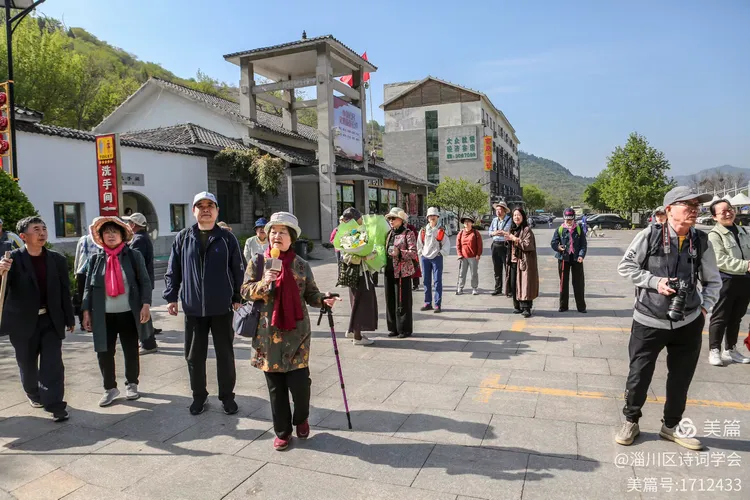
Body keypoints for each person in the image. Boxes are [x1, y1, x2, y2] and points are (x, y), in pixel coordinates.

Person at [616, 186, 721, 450]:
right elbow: (626, 266)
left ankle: (671, 426)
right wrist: (655, 282)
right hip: (648, 319)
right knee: (639, 374)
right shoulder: (649, 235)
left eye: (697, 205)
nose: (694, 210)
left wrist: (704, 309)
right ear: (669, 209)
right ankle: (631, 421)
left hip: (688, 321)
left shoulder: (701, 240)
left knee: (681, 377)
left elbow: (713, 280)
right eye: (688, 205)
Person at [241, 212, 340, 451]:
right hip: (267, 335)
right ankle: (283, 432)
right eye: (273, 232)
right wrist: (265, 282)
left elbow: (311, 294)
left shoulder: (301, 265)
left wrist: (323, 299)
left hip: (297, 335)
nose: (276, 236)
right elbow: (245, 291)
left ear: (291, 237)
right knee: (276, 389)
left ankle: (301, 418)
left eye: (282, 232)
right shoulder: (258, 262)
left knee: (300, 384)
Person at [163, 191, 244, 416]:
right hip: (193, 309)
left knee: (225, 355)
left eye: (210, 205)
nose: (206, 209)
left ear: (217, 211)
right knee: (194, 356)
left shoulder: (227, 238)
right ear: (194, 211)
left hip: (222, 308)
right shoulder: (183, 237)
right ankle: (199, 396)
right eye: (201, 205)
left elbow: (238, 269)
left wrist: (238, 297)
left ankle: (227, 397)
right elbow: (173, 269)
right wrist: (171, 296)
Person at [0, 216, 74, 422]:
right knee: (27, 363)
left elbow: (64, 291)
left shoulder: (57, 260)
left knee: (53, 364)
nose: (42, 233)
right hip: (21, 323)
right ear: (23, 236)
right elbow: (3, 290)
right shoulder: (12, 260)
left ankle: (55, 404)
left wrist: (70, 318)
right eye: (36, 229)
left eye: (44, 228)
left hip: (50, 319)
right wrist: (1, 271)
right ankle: (32, 392)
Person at [82, 217, 152, 407]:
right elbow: (88, 287)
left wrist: (146, 304)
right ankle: (109, 388)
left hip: (128, 312)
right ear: (101, 237)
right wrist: (86, 311)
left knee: (131, 350)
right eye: (107, 232)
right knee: (104, 352)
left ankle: (132, 383)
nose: (111, 235)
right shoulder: (96, 259)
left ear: (122, 235)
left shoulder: (133, 256)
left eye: (115, 231)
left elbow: (145, 282)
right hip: (103, 315)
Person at [706, 199, 750, 366]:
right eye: (723, 211)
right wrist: (746, 265)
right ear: (714, 217)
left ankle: (730, 349)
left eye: (729, 209)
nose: (728, 213)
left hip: (744, 280)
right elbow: (720, 259)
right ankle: (714, 350)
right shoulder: (714, 235)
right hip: (726, 280)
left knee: (736, 317)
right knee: (720, 316)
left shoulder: (742, 230)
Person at [339, 208, 377, 346]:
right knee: (360, 304)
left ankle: (353, 330)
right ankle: (357, 336)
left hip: (357, 274)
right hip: (359, 274)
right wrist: (367, 257)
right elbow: (347, 257)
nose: (362, 220)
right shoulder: (349, 234)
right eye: (359, 217)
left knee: (357, 302)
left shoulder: (351, 232)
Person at [126, 213, 161, 352]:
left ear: (133, 224)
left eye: (129, 223)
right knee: (143, 311)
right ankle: (149, 340)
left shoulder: (138, 240)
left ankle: (148, 343)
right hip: (143, 281)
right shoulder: (142, 237)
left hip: (140, 282)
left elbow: (135, 263)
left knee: (140, 312)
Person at [384, 208, 417, 338]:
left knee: (403, 301)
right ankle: (393, 328)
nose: (391, 221)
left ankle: (404, 329)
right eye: (389, 218)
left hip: (402, 272)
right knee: (390, 299)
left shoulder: (408, 233)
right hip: (389, 270)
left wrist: (400, 253)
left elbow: (413, 253)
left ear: (401, 220)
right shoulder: (388, 233)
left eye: (393, 218)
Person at [502, 208, 539, 317]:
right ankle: (517, 306)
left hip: (523, 261)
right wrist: (508, 240)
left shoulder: (527, 230)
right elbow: (510, 244)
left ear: (523, 217)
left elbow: (528, 245)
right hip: (513, 261)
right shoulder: (512, 229)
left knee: (524, 284)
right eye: (514, 215)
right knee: (514, 284)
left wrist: (514, 239)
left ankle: (526, 308)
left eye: (518, 215)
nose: (516, 217)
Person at [551, 208, 588, 313]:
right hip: (563, 258)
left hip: (576, 258)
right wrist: (558, 247)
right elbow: (553, 243)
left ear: (574, 218)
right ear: (564, 218)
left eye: (571, 219)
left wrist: (581, 255)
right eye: (567, 219)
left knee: (578, 283)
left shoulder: (579, 229)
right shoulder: (560, 229)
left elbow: (583, 244)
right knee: (563, 282)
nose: (569, 221)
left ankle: (581, 307)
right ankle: (563, 306)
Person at [417, 207, 450, 313]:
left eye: (434, 216)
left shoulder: (441, 230)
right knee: (426, 280)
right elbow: (419, 243)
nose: (432, 217)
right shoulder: (423, 230)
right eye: (430, 216)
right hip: (425, 258)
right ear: (427, 218)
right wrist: (421, 253)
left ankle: (437, 304)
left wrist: (441, 252)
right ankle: (427, 303)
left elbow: (446, 243)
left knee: (437, 281)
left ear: (437, 217)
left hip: (437, 257)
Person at [73, 232, 96, 331]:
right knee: (92, 297)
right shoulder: (99, 240)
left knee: (82, 298)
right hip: (93, 272)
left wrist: (75, 271)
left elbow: (77, 256)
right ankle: (90, 322)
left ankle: (83, 323)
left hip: (81, 272)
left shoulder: (83, 239)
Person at [488, 201, 512, 296]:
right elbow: (490, 232)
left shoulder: (510, 220)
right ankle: (498, 288)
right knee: (496, 268)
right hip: (495, 244)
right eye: (497, 210)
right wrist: (494, 233)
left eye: (500, 210)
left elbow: (509, 232)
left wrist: (502, 233)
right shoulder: (494, 220)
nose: (498, 212)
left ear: (505, 211)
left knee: (507, 268)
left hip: (505, 245)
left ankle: (509, 290)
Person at [455, 215, 483, 295]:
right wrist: (459, 254)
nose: (466, 223)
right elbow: (458, 245)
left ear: (471, 223)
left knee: (474, 273)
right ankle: (460, 288)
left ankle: (474, 288)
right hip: (463, 257)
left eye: (468, 222)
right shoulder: (461, 233)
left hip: (473, 256)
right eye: (465, 222)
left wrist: (478, 254)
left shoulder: (475, 233)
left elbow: (480, 245)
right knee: (462, 273)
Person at [407, 221, 422, 291]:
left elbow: (416, 238)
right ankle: (409, 285)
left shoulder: (411, 228)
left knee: (415, 268)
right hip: (404, 251)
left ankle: (416, 285)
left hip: (412, 251)